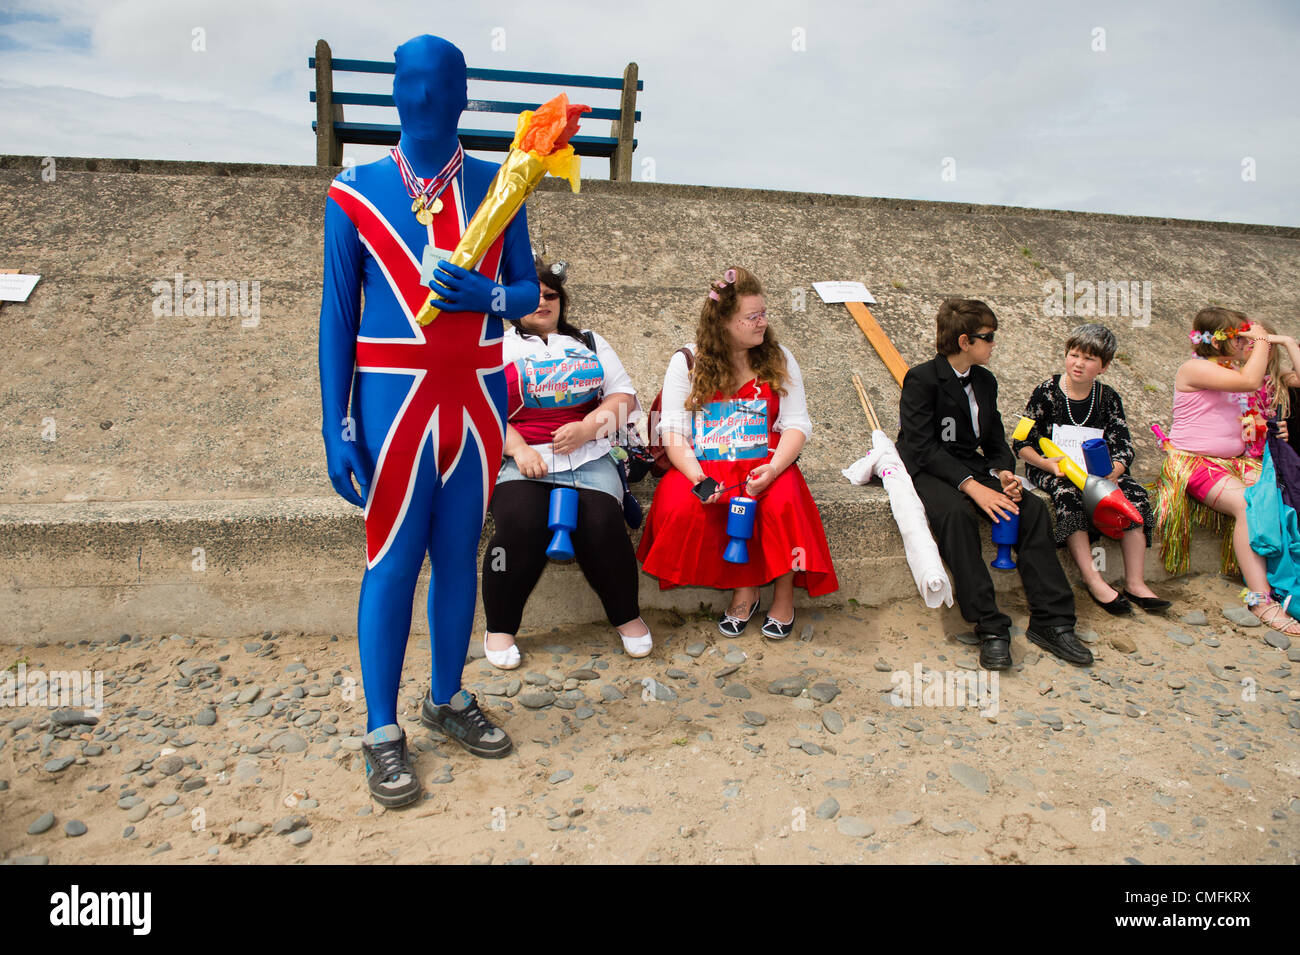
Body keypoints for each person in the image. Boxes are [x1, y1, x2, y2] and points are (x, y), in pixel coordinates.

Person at [317, 35, 539, 808]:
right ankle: (381, 730)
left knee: (456, 558)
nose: (426, 95)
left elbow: (528, 297)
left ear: (461, 92)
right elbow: (336, 321)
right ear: (394, 91)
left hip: (474, 409)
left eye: (442, 82)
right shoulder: (353, 192)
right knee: (391, 562)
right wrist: (334, 423)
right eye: (411, 80)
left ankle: (446, 696)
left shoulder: (504, 185)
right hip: (391, 407)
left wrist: (485, 299)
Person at [637, 267, 838, 638]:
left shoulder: (779, 358)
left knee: (783, 505)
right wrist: (698, 478)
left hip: (768, 461)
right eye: (752, 317)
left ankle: (782, 594)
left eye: (764, 313)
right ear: (724, 322)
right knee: (682, 507)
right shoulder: (687, 362)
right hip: (704, 463)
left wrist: (775, 470)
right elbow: (673, 432)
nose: (763, 322)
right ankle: (744, 589)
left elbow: (797, 425)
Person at [897, 298, 1093, 670]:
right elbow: (921, 446)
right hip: (930, 468)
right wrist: (972, 485)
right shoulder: (922, 379)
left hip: (972, 462)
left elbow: (996, 438)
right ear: (965, 341)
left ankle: (1053, 621)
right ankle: (990, 626)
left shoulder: (985, 381)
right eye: (988, 337)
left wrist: (1004, 472)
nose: (994, 343)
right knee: (956, 516)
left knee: (1031, 509)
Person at [480, 260, 651, 669]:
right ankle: (500, 626)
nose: (542, 302)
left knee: (602, 526)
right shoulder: (495, 345)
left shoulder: (590, 342)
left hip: (588, 454)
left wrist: (588, 427)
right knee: (520, 525)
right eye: (532, 294)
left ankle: (627, 615)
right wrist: (518, 449)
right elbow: (480, 409)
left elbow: (622, 397)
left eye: (551, 295)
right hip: (521, 458)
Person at [1153, 307, 1300, 635]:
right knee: (1248, 503)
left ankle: (1286, 584)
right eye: (1240, 335)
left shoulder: (1231, 366)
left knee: (1281, 495)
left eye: (1249, 335)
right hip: (1196, 462)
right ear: (1219, 341)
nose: (1247, 340)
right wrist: (1262, 339)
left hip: (1237, 462)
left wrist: (1286, 342)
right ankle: (1259, 599)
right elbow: (1249, 381)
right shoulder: (1195, 368)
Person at [1013, 324, 1168, 616]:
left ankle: (1135, 581)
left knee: (1134, 495)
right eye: (1074, 355)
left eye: (1089, 359)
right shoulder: (1045, 392)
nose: (1079, 363)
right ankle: (1093, 578)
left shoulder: (1108, 398)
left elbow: (1123, 444)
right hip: (1053, 468)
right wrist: (1046, 463)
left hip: (1099, 473)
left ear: (1104, 366)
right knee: (1068, 495)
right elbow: (1021, 440)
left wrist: (1115, 470)